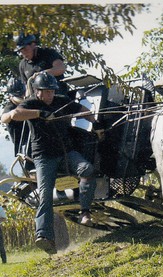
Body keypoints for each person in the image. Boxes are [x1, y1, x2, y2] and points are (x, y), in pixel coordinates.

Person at [8, 72, 100, 255]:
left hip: (67, 153)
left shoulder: (60, 100)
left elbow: (81, 110)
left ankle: (85, 212)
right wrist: (40, 114)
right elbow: (15, 114)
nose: (50, 94)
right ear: (37, 91)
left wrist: (94, 121)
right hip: (44, 158)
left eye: (51, 91)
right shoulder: (31, 103)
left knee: (87, 170)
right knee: (45, 195)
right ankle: (43, 236)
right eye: (46, 91)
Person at [15, 33, 68, 97]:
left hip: (58, 96)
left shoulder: (48, 53)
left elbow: (61, 68)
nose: (23, 53)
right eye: (21, 51)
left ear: (33, 45)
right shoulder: (22, 65)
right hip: (38, 101)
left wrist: (42, 74)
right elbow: (27, 87)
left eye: (25, 49)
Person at [1, 77, 30, 157]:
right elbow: (3, 119)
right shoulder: (10, 106)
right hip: (22, 145)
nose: (22, 97)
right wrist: (13, 114)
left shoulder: (28, 103)